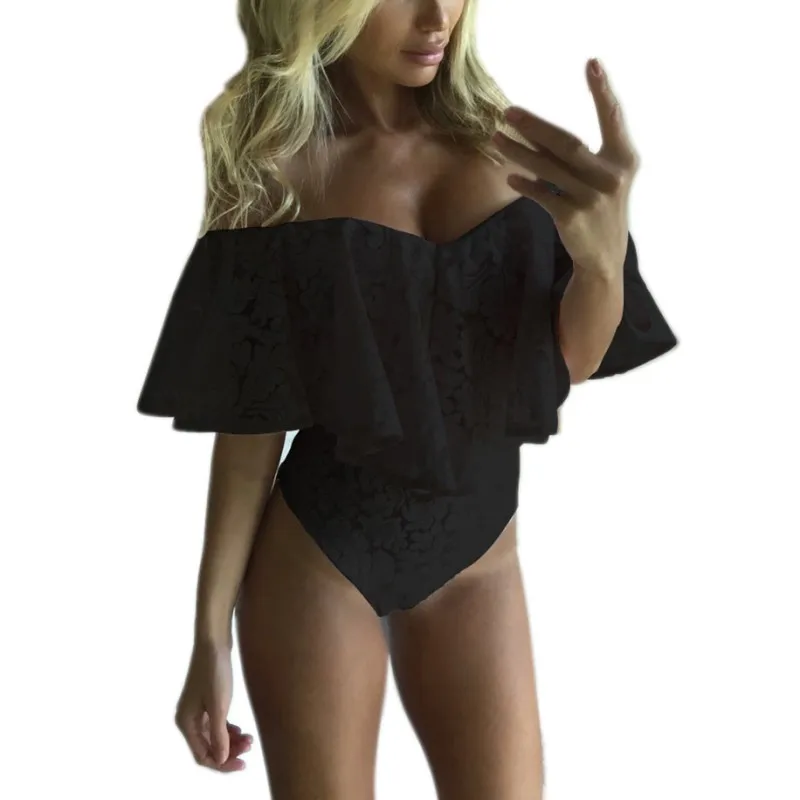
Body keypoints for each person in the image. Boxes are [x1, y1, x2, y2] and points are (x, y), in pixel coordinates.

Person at [136, 1, 678, 798]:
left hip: (481, 564)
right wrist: (208, 638)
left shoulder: (515, 151)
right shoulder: (274, 170)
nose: (436, 17)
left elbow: (568, 366)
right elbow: (251, 430)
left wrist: (601, 268)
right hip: (321, 560)